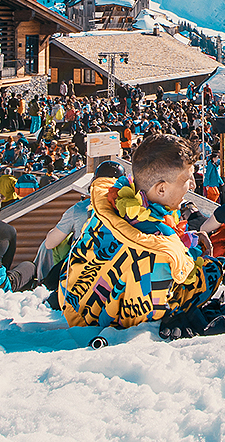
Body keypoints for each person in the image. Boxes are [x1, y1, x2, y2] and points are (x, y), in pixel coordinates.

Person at [61, 135, 213, 328]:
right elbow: (156, 313)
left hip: (76, 310)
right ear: (161, 189)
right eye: (186, 179)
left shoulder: (109, 208)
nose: (192, 185)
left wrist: (185, 239)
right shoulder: (162, 249)